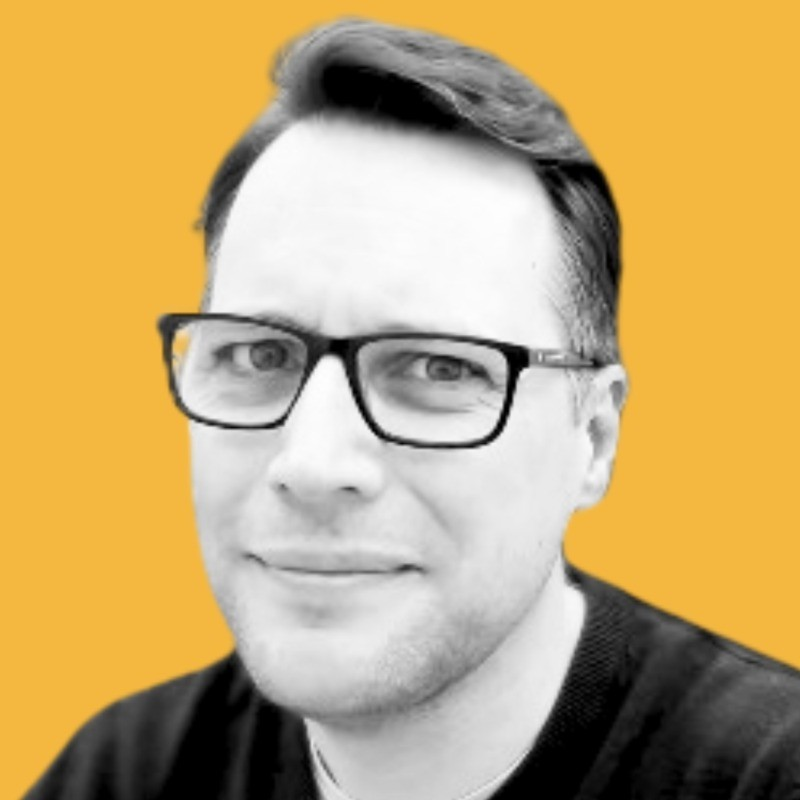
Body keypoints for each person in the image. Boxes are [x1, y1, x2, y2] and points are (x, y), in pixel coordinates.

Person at [25, 17, 800, 800]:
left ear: (593, 439)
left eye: (439, 368)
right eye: (259, 356)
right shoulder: (124, 771)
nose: (313, 465)